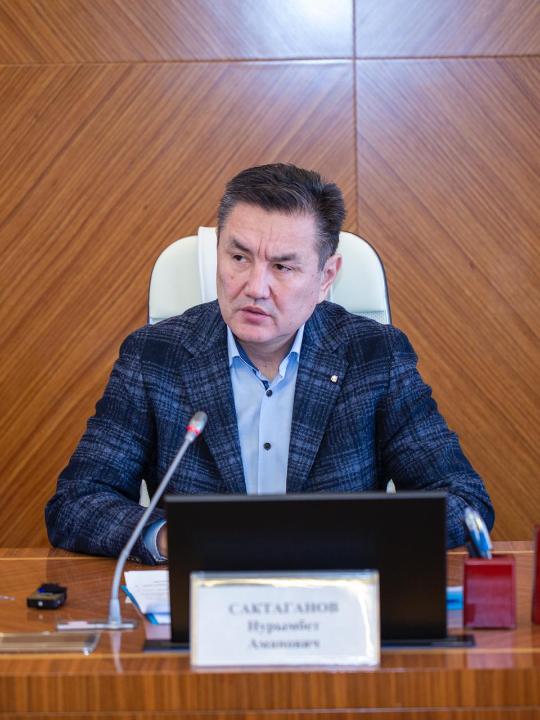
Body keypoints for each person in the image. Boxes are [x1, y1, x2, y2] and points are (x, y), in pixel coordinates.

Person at [45, 163, 494, 564]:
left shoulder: (374, 356)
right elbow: (76, 502)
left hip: (334, 604)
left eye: (282, 267)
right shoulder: (155, 356)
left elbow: (465, 502)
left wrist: (348, 537)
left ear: (326, 277)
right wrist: (175, 537)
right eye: (239, 258)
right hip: (202, 603)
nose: (255, 287)